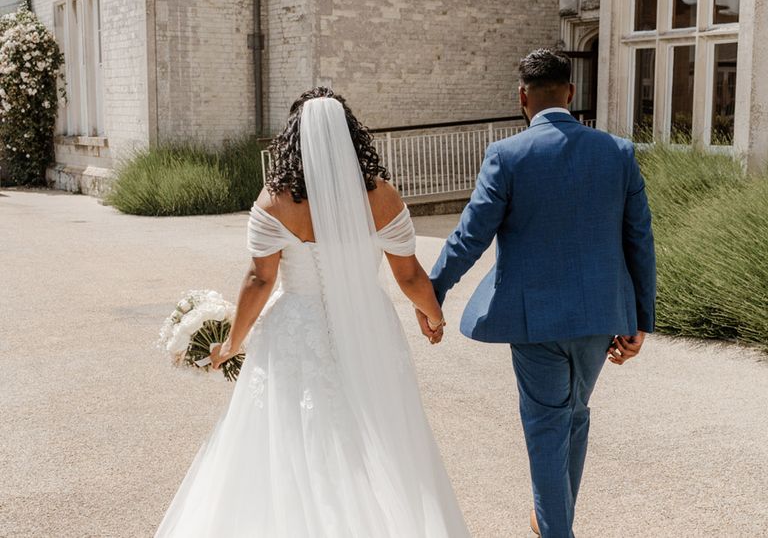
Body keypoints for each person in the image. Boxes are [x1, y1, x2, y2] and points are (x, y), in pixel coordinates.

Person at [155, 88, 470, 538]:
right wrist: (433, 317)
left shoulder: (275, 200)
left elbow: (260, 280)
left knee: (296, 437)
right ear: (350, 136)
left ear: (293, 139)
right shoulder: (383, 197)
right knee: (382, 429)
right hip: (370, 328)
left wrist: (232, 344)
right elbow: (410, 276)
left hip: (296, 332)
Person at [430, 49, 656, 538]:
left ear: (522, 97)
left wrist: (434, 293)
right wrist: (641, 319)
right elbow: (639, 236)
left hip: (536, 322)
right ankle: (554, 519)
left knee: (548, 423)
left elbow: (471, 236)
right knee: (573, 415)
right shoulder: (617, 151)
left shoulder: (507, 156)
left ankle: (556, 530)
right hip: (601, 317)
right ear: (571, 93)